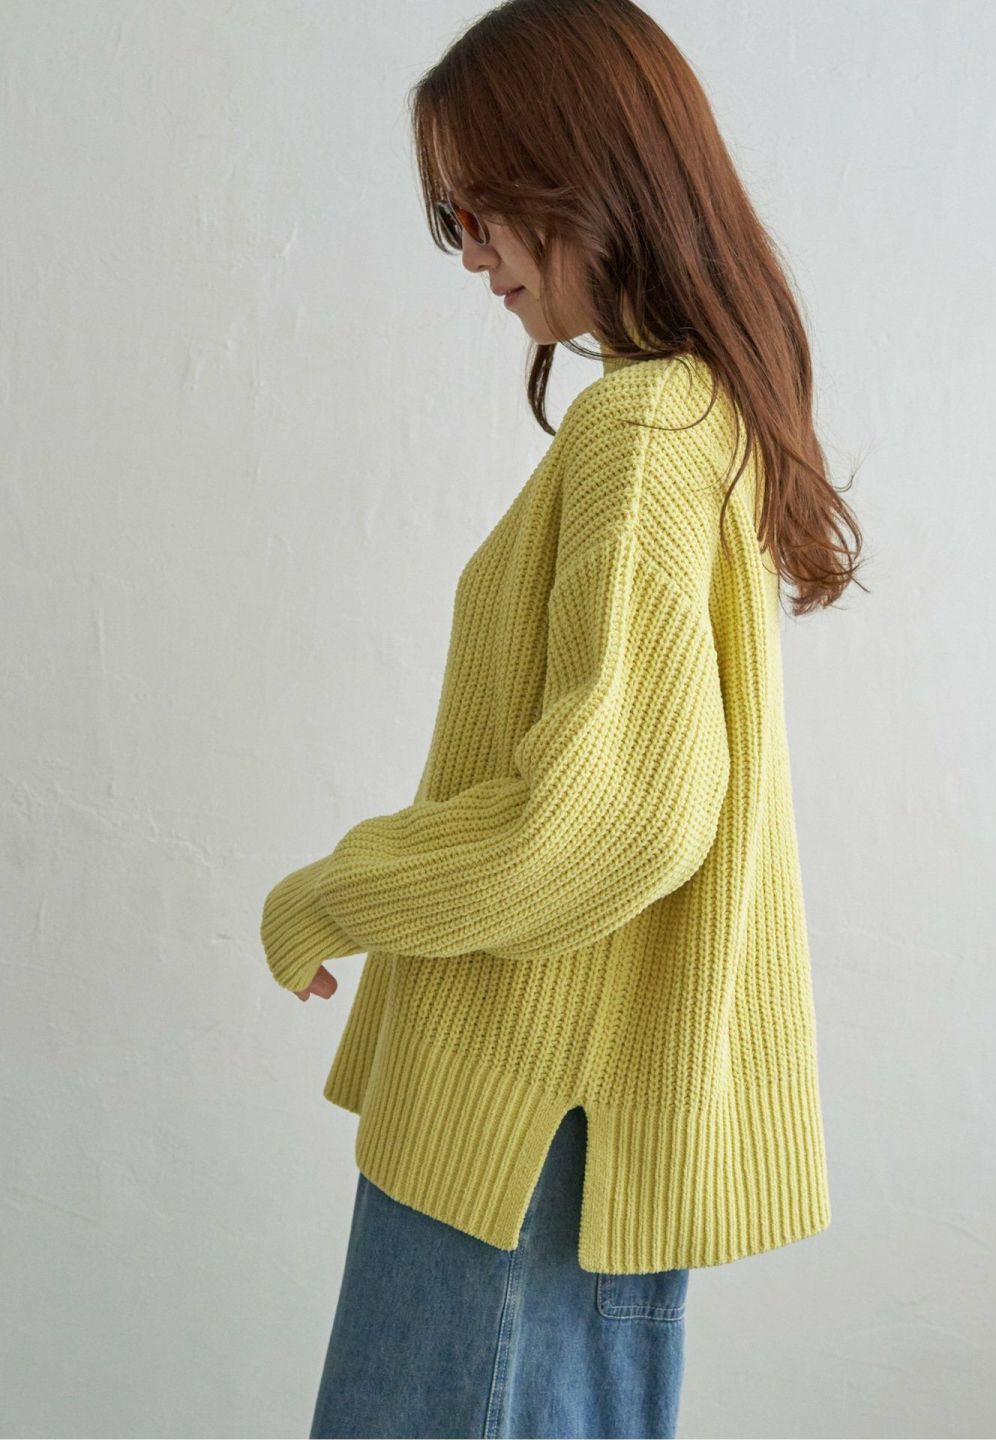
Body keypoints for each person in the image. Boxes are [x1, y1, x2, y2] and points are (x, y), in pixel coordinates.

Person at [259, 1, 865, 1435]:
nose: (469, 251)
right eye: (449, 220)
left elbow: (615, 818)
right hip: (576, 1123)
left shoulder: (640, 434)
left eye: (478, 208)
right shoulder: (701, 416)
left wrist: (334, 891)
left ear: (586, 181)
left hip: (522, 1119)